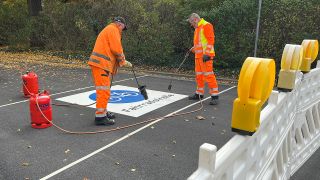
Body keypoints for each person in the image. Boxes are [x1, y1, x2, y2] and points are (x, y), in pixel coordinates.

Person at [88, 16, 132, 125]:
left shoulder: (110, 29)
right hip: (102, 65)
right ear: (120, 24)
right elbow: (116, 48)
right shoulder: (114, 30)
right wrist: (123, 61)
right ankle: (100, 118)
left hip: (102, 64)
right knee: (103, 91)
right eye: (123, 28)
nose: (122, 30)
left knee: (105, 91)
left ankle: (103, 112)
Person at [187, 13, 219, 105]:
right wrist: (193, 49)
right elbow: (199, 43)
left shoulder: (206, 25)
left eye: (191, 23)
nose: (191, 25)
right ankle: (199, 94)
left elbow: (211, 40)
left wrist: (208, 54)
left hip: (206, 57)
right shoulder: (197, 28)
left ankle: (215, 96)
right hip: (198, 57)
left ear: (196, 20)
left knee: (209, 75)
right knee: (199, 76)